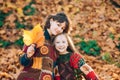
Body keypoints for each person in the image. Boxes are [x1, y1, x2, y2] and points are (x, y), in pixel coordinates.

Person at [17, 12, 70, 80]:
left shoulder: (57, 44)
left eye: (62, 28)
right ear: (51, 20)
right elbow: (23, 62)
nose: (59, 29)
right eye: (58, 25)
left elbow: (55, 70)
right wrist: (27, 56)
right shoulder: (37, 35)